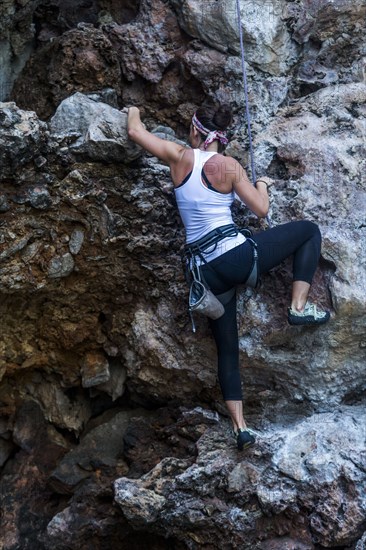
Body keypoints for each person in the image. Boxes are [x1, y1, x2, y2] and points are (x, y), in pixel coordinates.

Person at [127, 102, 330, 451]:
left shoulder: (178, 157)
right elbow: (261, 211)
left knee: (227, 350)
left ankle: (240, 428)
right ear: (222, 138)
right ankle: (297, 306)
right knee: (309, 231)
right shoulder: (230, 167)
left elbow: (135, 131)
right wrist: (263, 184)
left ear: (195, 131)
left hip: (204, 274)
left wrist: (133, 108)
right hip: (236, 257)